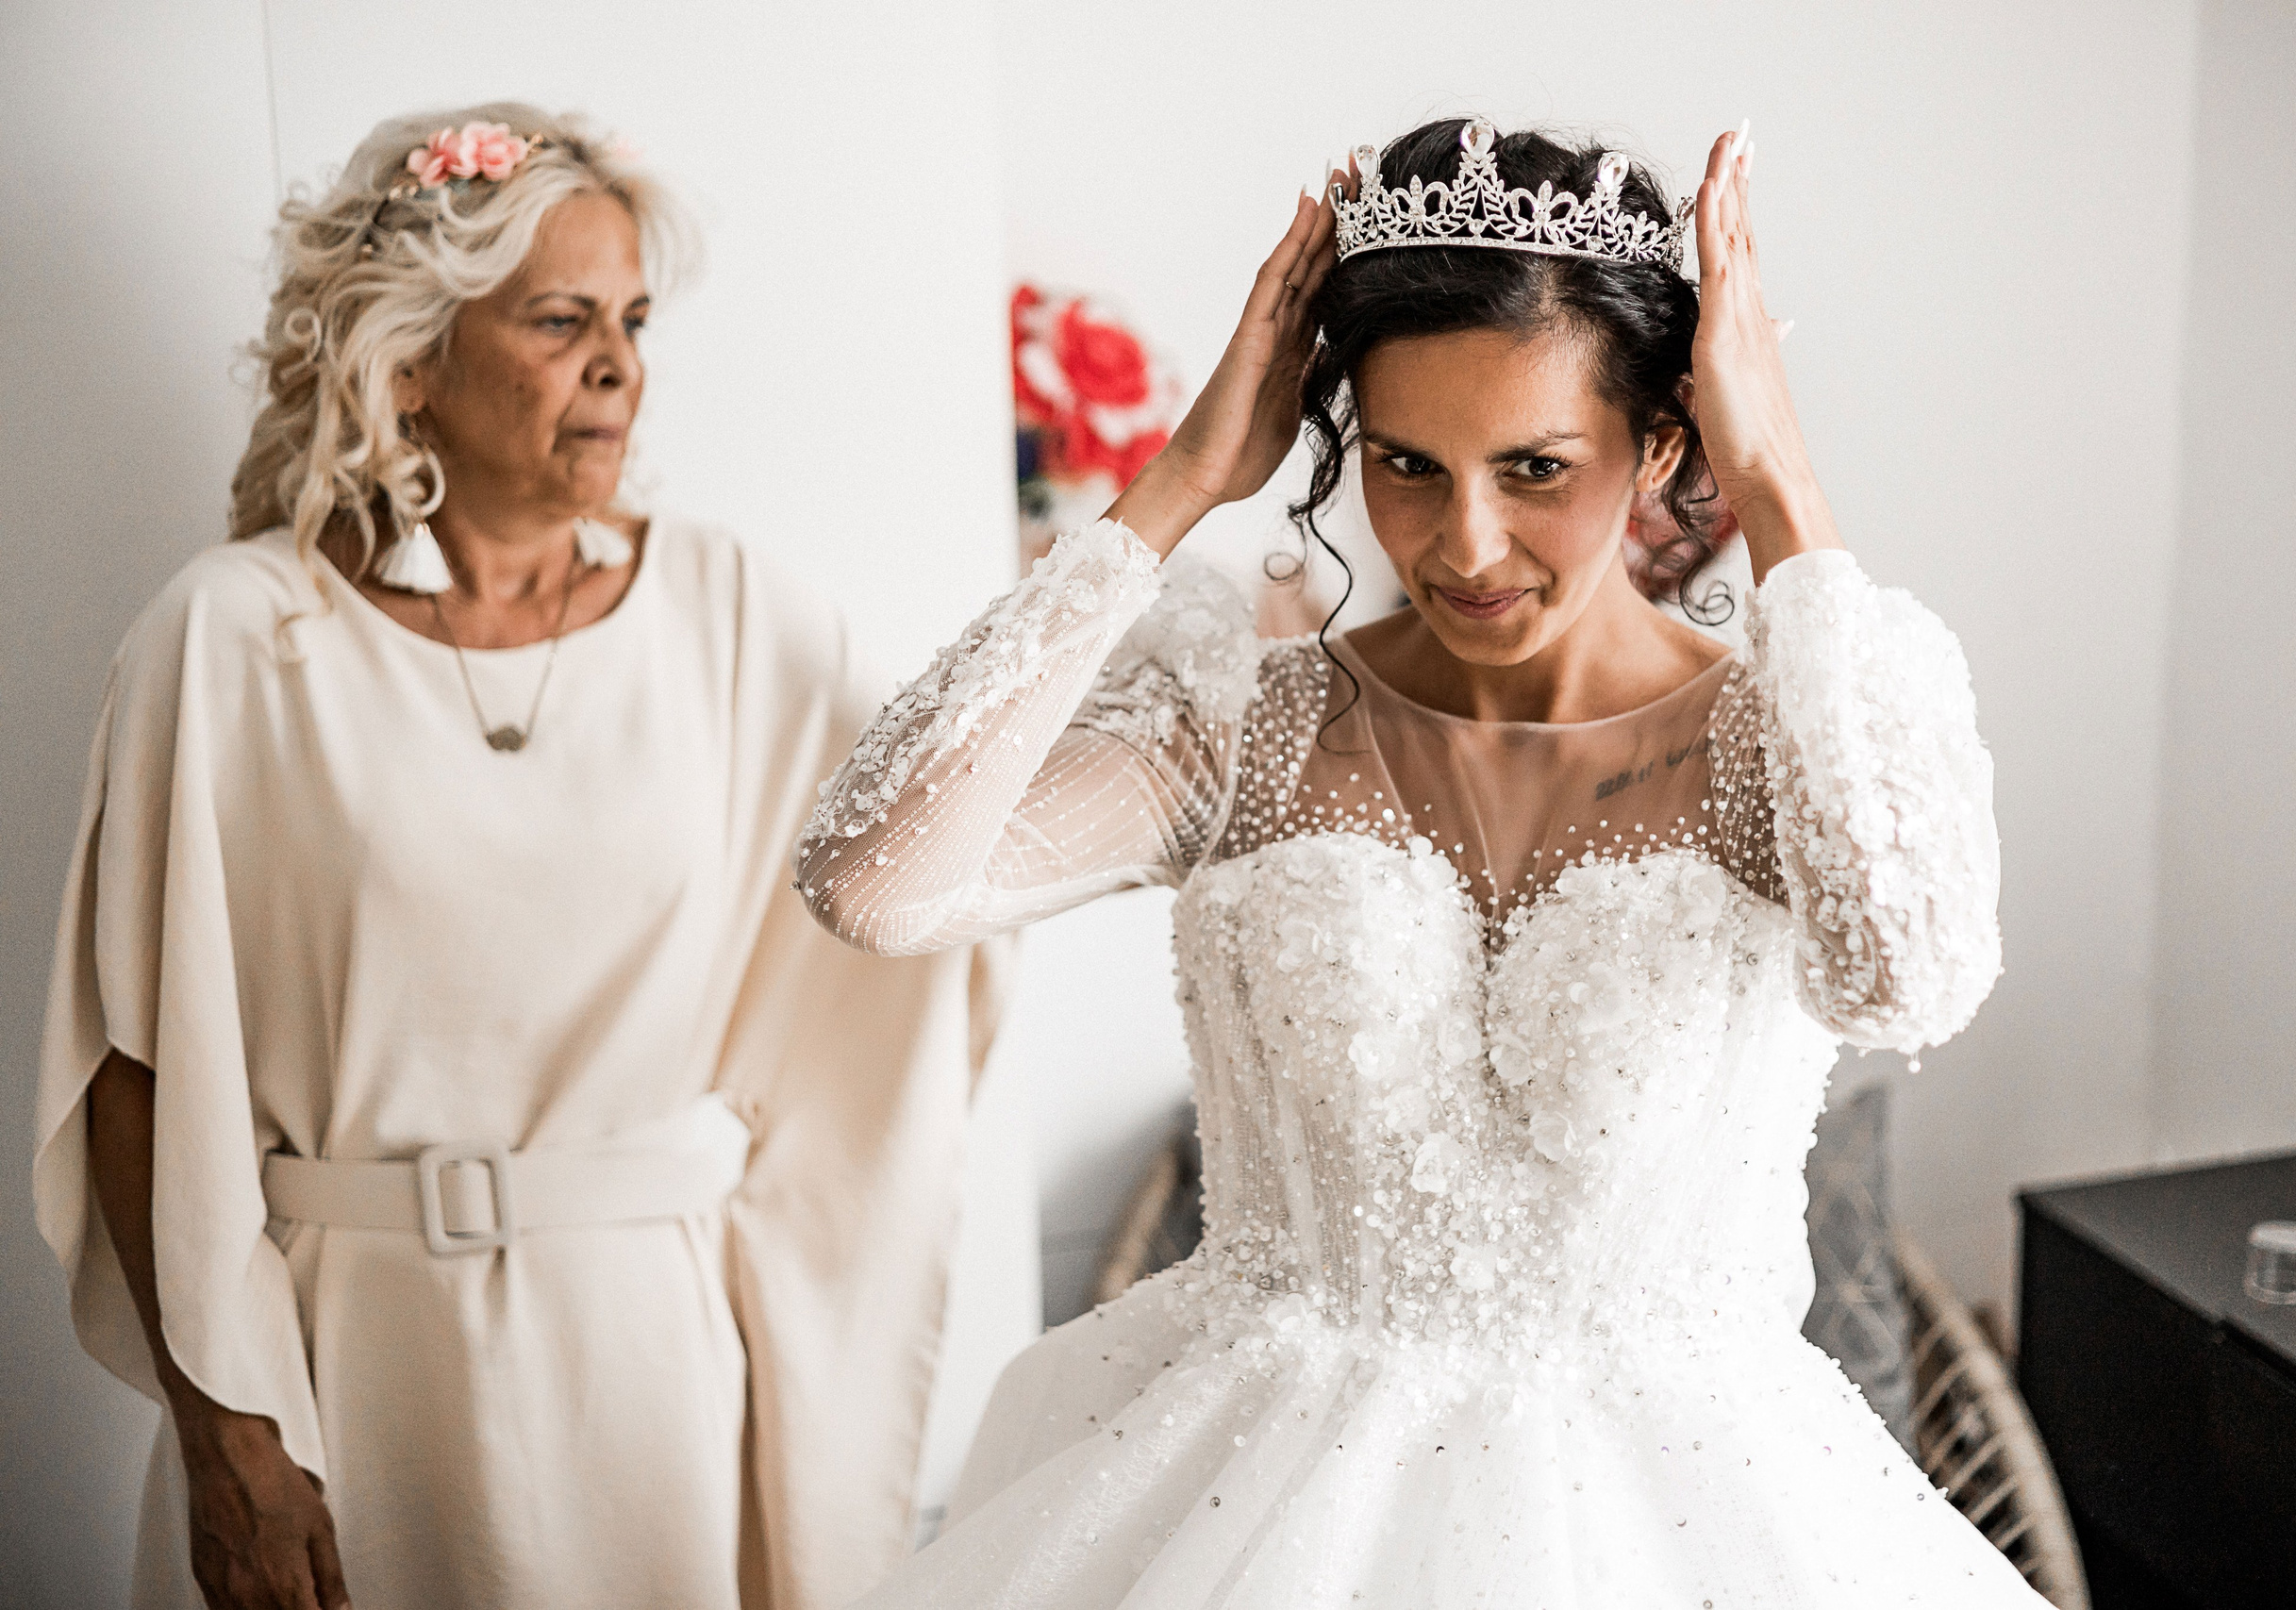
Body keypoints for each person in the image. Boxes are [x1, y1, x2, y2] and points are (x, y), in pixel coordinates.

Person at [799, 117, 2038, 1604]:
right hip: (1243, 1507)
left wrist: (1781, 486)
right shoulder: (1238, 725)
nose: (1463, 543)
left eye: (1534, 467)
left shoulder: (1792, 741)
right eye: (1404, 463)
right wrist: (1183, 479)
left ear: (1660, 445)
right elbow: (874, 882)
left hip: (1701, 1527)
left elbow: (1913, 974)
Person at [35, 104, 998, 1610]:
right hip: (342, 1369)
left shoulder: (738, 621)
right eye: (560, 321)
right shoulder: (232, 642)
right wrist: (234, 1443)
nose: (619, 364)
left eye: (629, 319)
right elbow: (132, 1069)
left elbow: (948, 850)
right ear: (408, 358)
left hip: (649, 1382)